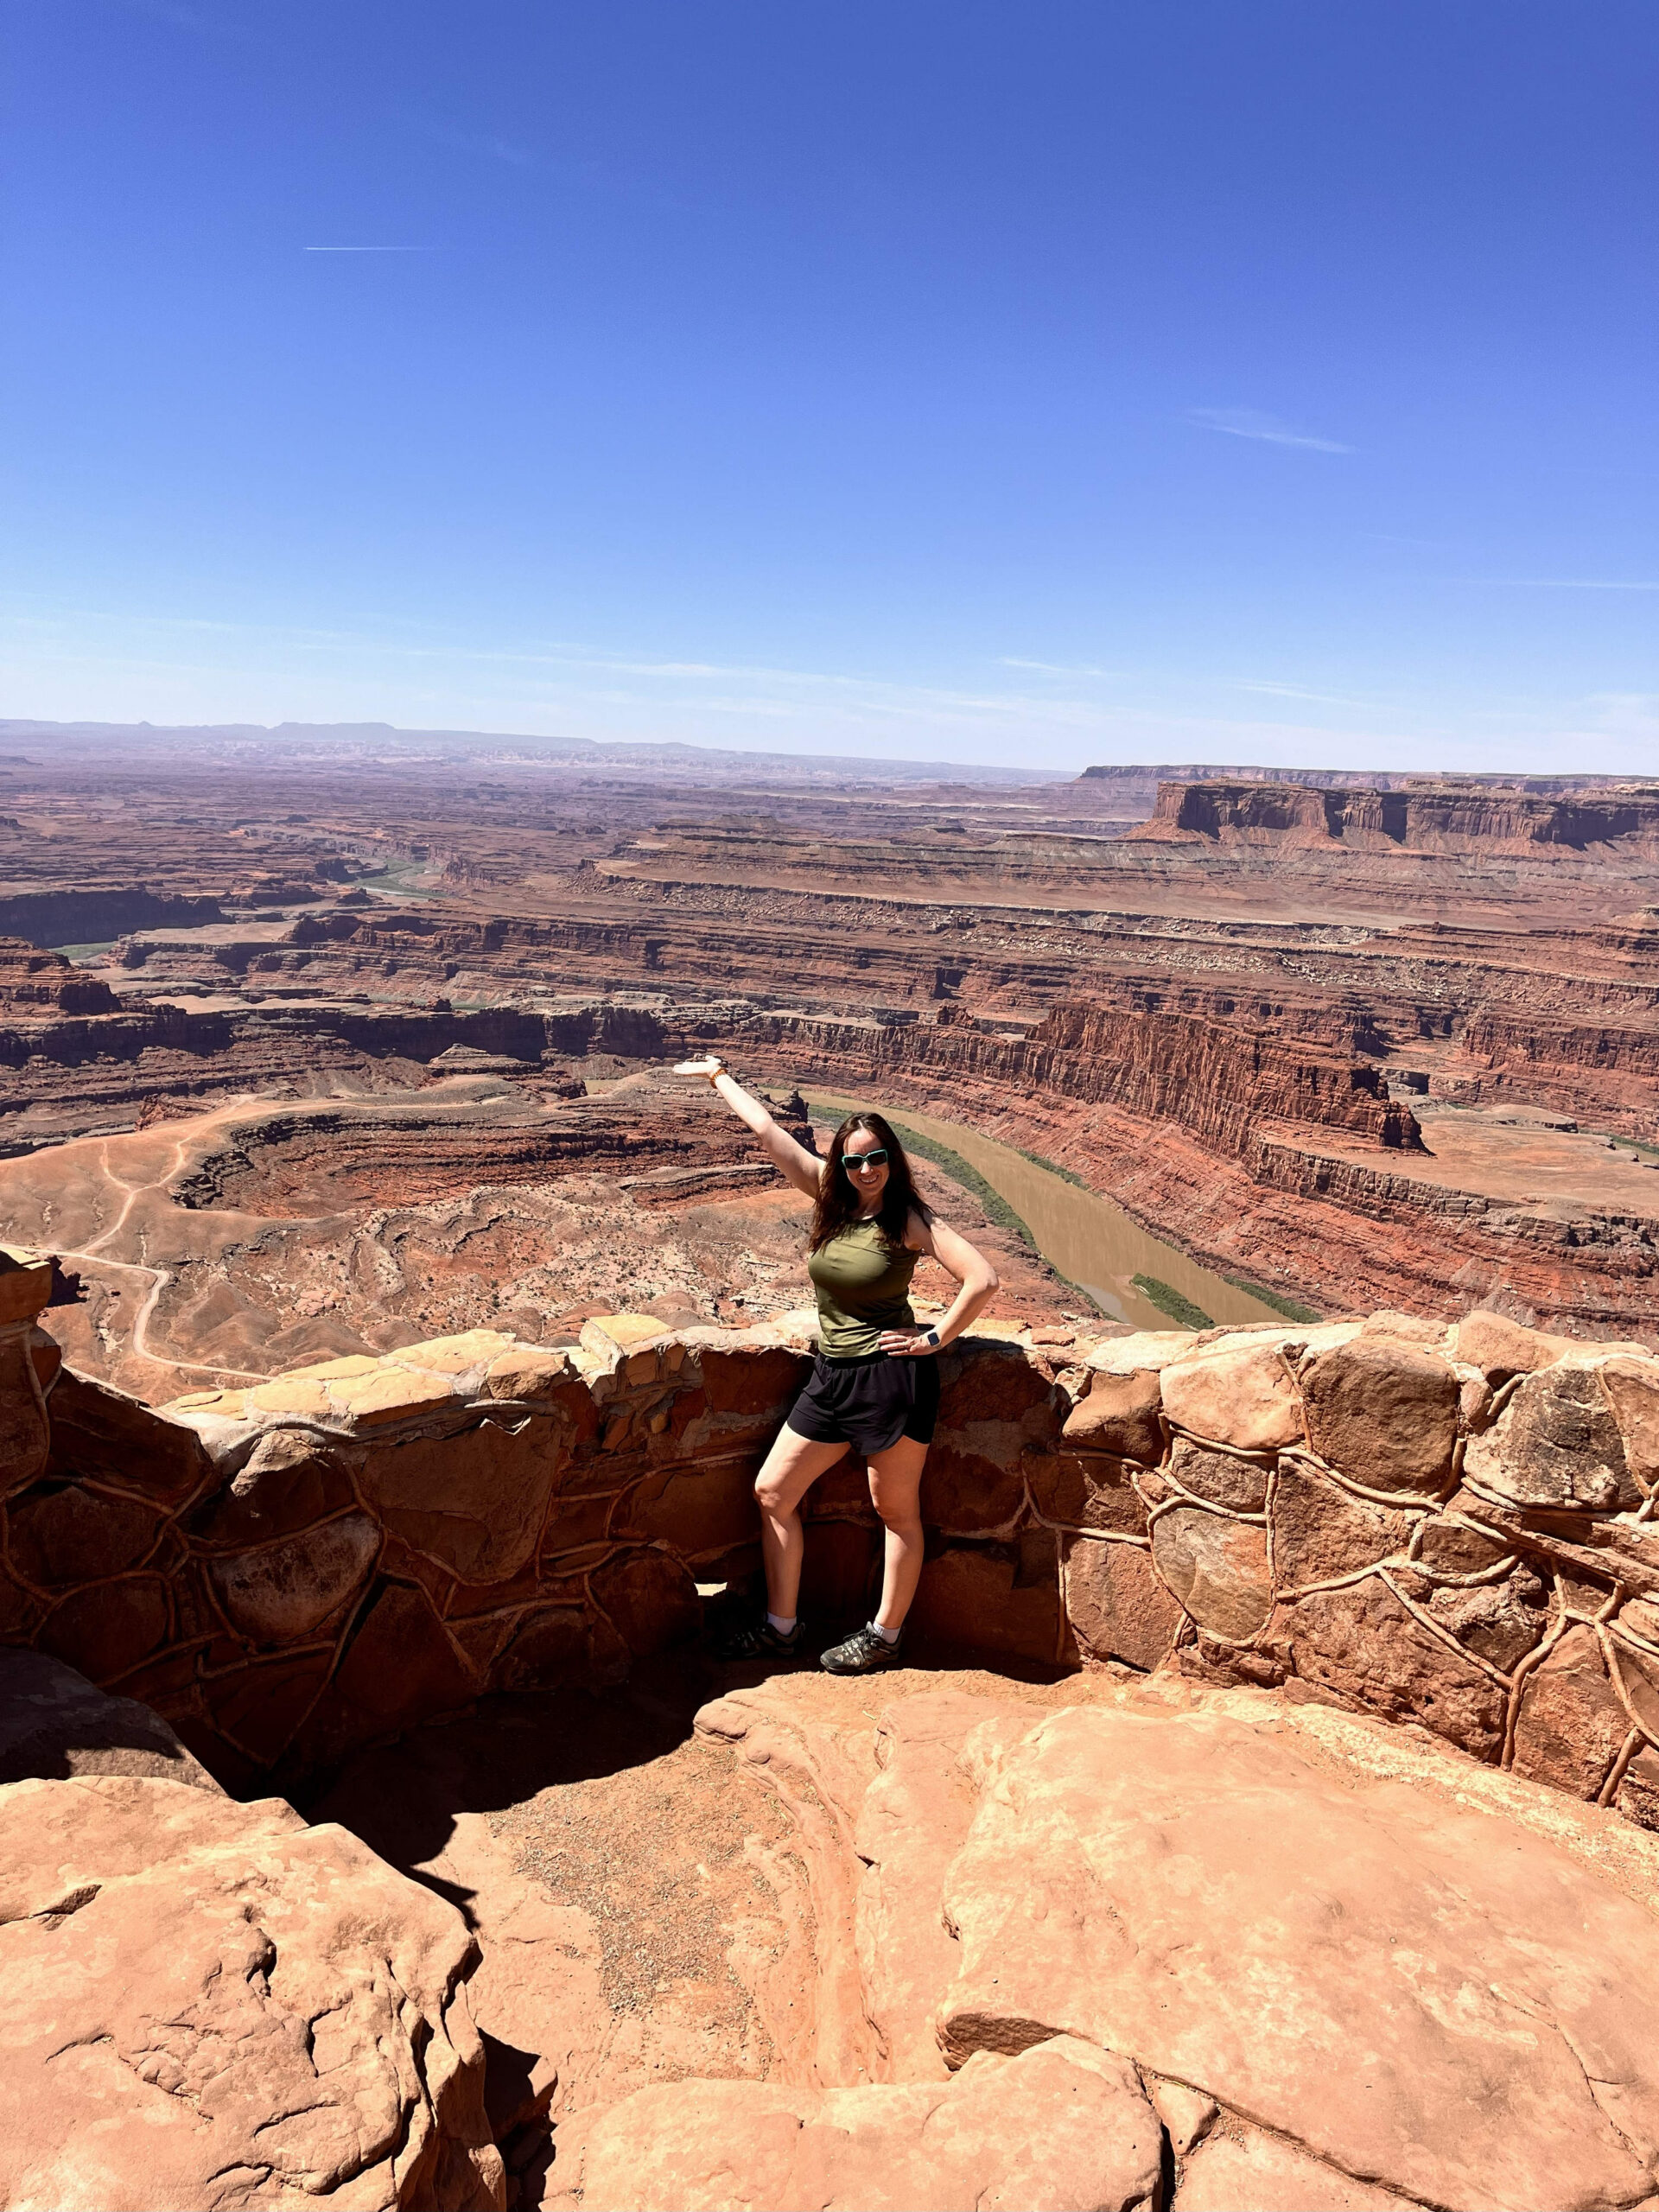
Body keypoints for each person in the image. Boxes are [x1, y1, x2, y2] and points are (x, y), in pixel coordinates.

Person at [673, 1054, 1000, 1672]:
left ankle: (885, 1635)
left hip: (890, 1381)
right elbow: (770, 1135)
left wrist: (935, 1339)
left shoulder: (908, 1218)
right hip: (829, 1376)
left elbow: (982, 1279)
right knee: (773, 1491)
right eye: (854, 1159)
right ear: (841, 1164)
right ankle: (781, 1627)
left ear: (892, 1159)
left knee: (895, 1512)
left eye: (877, 1157)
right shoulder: (831, 1194)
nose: (867, 1169)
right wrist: (719, 1077)